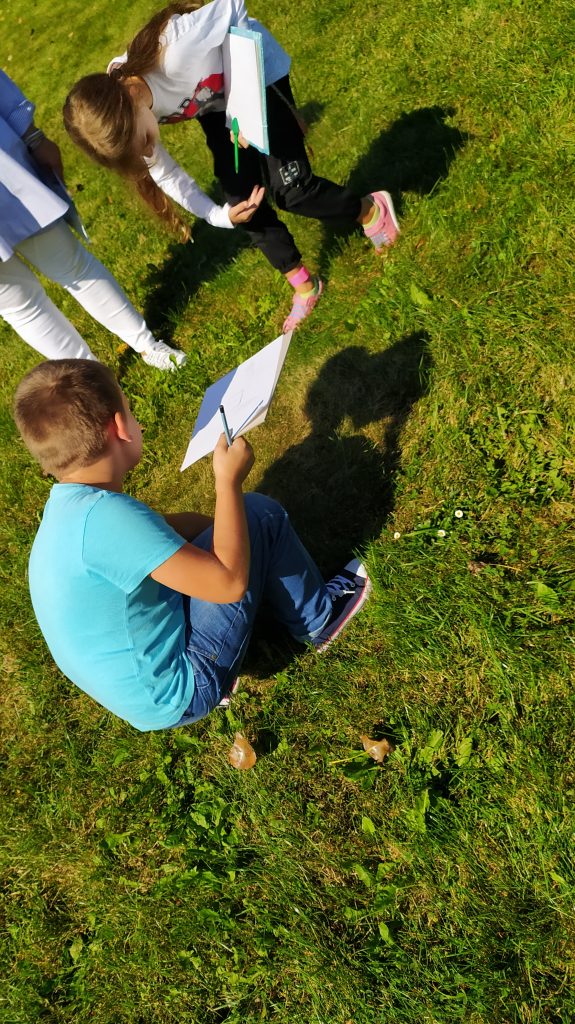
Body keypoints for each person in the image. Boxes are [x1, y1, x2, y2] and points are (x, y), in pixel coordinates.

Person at [14, 359, 372, 732]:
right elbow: (229, 584)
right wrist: (228, 485)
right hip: (183, 690)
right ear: (119, 427)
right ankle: (320, 621)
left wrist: (232, 539)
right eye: (131, 411)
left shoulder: (74, 511)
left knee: (241, 531)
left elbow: (171, 529)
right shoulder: (109, 518)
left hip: (142, 695)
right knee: (259, 515)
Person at [63, 0, 400, 334]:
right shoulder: (124, 118)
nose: (150, 150)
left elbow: (233, 7)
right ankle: (304, 285)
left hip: (256, 76)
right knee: (244, 205)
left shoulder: (174, 53)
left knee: (292, 191)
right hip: (214, 105)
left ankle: (370, 211)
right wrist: (218, 215)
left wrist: (241, 104)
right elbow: (165, 173)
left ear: (130, 99)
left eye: (146, 141)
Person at [0, 69, 186, 371]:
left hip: (5, 176)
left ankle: (146, 344)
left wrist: (32, 135)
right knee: (17, 302)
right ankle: (94, 381)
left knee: (69, 263)